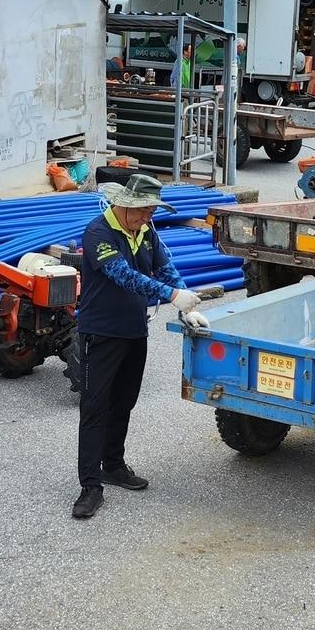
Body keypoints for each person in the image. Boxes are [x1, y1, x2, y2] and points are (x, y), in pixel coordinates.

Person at [72, 174, 207, 520]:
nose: (148, 216)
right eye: (144, 210)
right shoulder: (98, 233)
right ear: (125, 206)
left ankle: (113, 464)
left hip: (134, 330)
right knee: (95, 407)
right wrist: (171, 296)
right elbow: (123, 275)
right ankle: (90, 486)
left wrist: (187, 303)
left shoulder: (146, 231)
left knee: (124, 402)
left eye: (151, 211)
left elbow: (164, 267)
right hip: (101, 332)